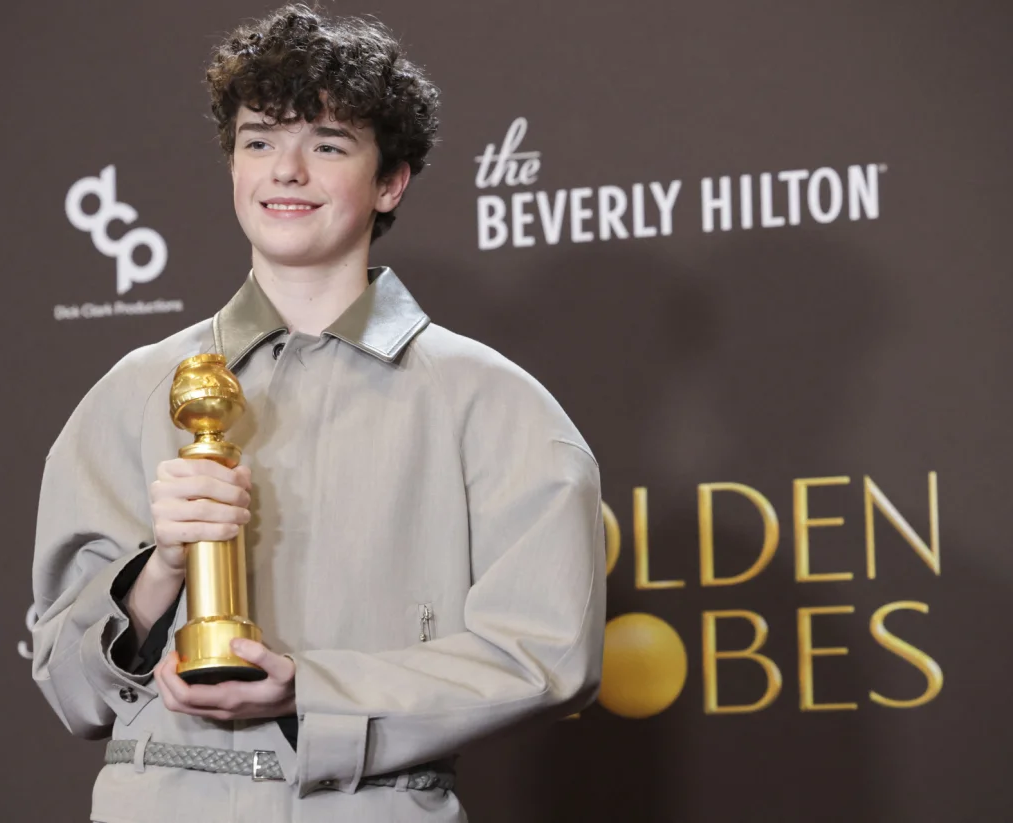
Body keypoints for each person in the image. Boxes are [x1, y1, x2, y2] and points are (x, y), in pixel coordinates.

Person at [31, 5, 606, 821]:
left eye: (327, 144)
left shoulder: (492, 400)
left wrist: (317, 691)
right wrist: (160, 567)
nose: (285, 170)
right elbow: (67, 686)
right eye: (259, 140)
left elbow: (549, 653)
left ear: (389, 180)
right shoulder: (133, 390)